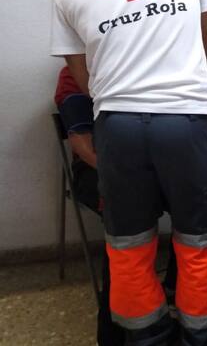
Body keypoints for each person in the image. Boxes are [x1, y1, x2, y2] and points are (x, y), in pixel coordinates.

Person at [50, 0, 207, 345]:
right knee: (198, 243)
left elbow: (83, 79)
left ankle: (147, 339)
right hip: (188, 122)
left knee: (128, 248)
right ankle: (202, 339)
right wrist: (179, 79)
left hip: (119, 128)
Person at [54, 66, 178, 346]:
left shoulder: (139, 67)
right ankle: (113, 334)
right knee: (127, 224)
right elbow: (83, 144)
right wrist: (129, 172)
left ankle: (174, 292)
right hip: (98, 168)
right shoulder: (73, 75)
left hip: (148, 166)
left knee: (199, 200)